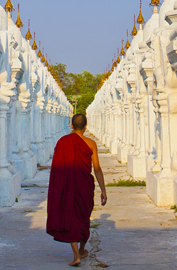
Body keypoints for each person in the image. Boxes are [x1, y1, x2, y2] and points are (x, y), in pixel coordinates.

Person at [46, 114, 107, 266]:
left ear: (71, 126)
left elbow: (57, 167)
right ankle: (81, 249)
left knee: (70, 215)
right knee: (83, 216)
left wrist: (57, 187)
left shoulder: (63, 142)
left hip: (67, 185)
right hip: (84, 185)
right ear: (86, 126)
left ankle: (76, 255)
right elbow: (97, 168)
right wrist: (103, 190)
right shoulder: (91, 143)